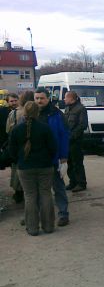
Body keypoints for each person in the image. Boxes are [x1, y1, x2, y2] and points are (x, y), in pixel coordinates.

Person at [8, 101, 57, 236]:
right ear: (37, 112)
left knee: (30, 196)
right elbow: (53, 148)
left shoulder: (17, 129)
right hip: (45, 166)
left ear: (24, 112)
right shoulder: (45, 128)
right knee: (46, 194)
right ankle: (48, 226)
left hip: (25, 167)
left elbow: (11, 151)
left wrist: (19, 160)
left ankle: (33, 228)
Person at [34, 87, 70, 227]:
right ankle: (33, 215)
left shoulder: (56, 114)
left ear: (48, 98)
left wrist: (64, 157)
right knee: (36, 190)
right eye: (36, 98)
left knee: (58, 187)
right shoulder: (31, 113)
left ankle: (63, 214)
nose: (39, 101)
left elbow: (64, 135)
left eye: (42, 98)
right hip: (36, 159)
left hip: (53, 158)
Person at [6, 91, 34, 204]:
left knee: (17, 170)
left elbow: (8, 131)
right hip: (34, 146)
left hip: (18, 146)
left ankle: (18, 192)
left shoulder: (14, 113)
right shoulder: (37, 111)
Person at [64, 90, 88, 192]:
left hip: (76, 141)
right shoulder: (68, 108)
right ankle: (72, 182)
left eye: (66, 97)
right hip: (67, 141)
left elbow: (83, 125)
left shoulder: (81, 109)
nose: (64, 99)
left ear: (71, 98)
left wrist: (72, 136)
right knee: (69, 163)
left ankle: (81, 183)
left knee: (77, 163)